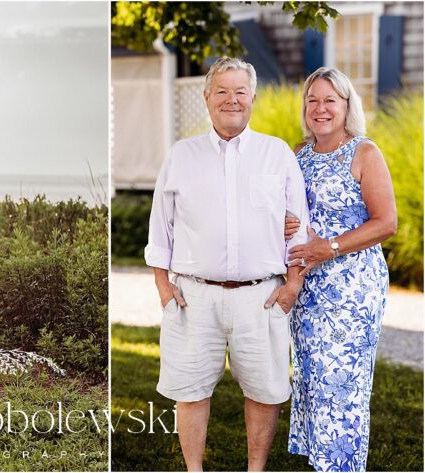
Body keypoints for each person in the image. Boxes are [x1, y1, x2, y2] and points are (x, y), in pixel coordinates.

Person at [145, 57, 311, 471]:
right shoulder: (181, 155)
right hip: (193, 297)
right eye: (221, 91)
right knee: (192, 390)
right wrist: (164, 289)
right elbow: (159, 229)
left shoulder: (276, 154)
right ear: (206, 97)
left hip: (262, 297)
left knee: (264, 390)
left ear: (252, 98)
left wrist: (292, 287)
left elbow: (300, 229)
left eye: (240, 92)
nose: (231, 100)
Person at [285, 67, 397, 472]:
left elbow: (386, 223)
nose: (320, 108)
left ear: (347, 106)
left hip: (352, 291)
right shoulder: (298, 155)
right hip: (307, 289)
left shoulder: (364, 152)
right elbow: (292, 212)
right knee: (314, 382)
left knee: (342, 386)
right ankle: (321, 463)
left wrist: (327, 248)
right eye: (313, 100)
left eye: (330, 100)